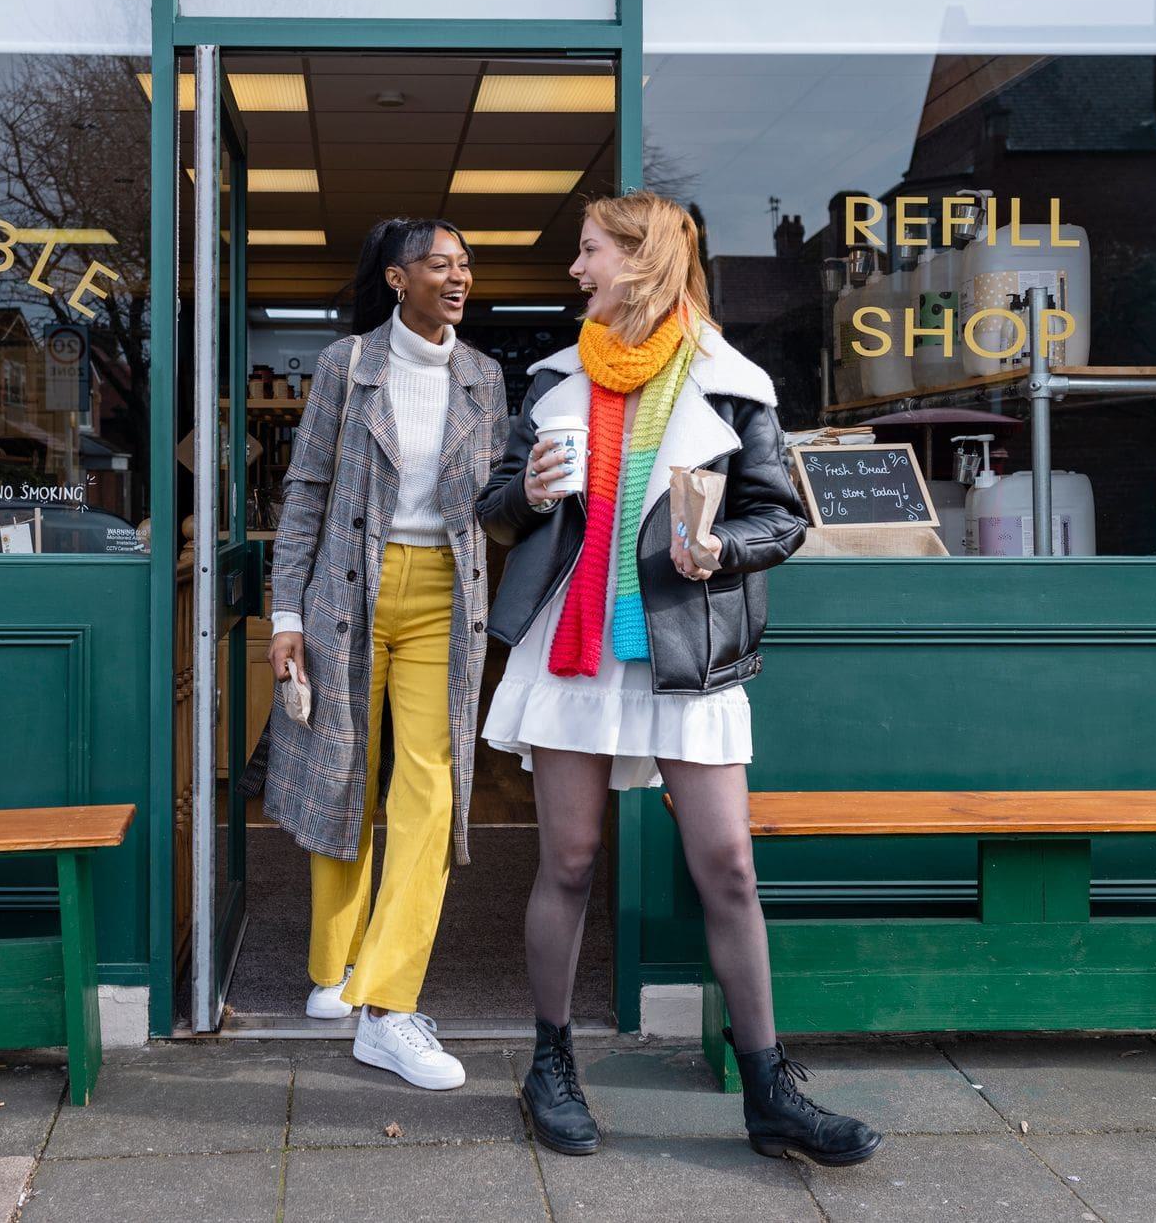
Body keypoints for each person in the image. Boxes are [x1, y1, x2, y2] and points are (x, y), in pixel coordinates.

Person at [477, 192, 883, 1165]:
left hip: (684, 650)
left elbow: (778, 518)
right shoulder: (552, 381)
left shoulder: (730, 383)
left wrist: (719, 550)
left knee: (728, 866)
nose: (575, 270)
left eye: (588, 251)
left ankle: (769, 1091)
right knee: (569, 861)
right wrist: (525, 492)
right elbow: (493, 510)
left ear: (642, 259)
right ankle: (549, 1067)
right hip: (573, 650)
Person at [264, 218, 508, 1090]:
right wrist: (285, 611)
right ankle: (334, 966)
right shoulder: (348, 365)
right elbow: (306, 491)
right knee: (342, 770)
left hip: (445, 592)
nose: (459, 277)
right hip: (347, 590)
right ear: (399, 278)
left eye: (466, 264)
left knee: (429, 787)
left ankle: (389, 1002)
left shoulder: (483, 377)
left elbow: (496, 501)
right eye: (441, 264)